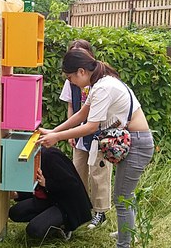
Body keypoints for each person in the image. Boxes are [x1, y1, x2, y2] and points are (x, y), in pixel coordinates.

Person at [37, 48, 154, 248]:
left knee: (122, 197)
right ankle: (128, 231)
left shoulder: (103, 87)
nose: (71, 81)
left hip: (138, 142)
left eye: (71, 77)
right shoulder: (99, 83)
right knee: (127, 195)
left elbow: (91, 126)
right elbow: (82, 114)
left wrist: (57, 137)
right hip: (132, 140)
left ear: (82, 71)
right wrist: (52, 131)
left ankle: (124, 244)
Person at [58, 39, 112, 229]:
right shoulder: (72, 81)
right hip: (80, 132)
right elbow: (74, 108)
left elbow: (93, 121)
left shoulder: (100, 82)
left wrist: (56, 135)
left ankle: (100, 211)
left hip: (100, 134)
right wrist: (68, 133)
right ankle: (81, 209)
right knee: (78, 171)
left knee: (99, 173)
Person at [8, 147, 92, 241]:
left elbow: (71, 185)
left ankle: (64, 226)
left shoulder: (50, 157)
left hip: (67, 205)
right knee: (15, 213)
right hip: (50, 199)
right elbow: (36, 188)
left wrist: (47, 183)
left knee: (34, 230)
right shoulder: (34, 159)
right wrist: (18, 194)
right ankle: (49, 220)